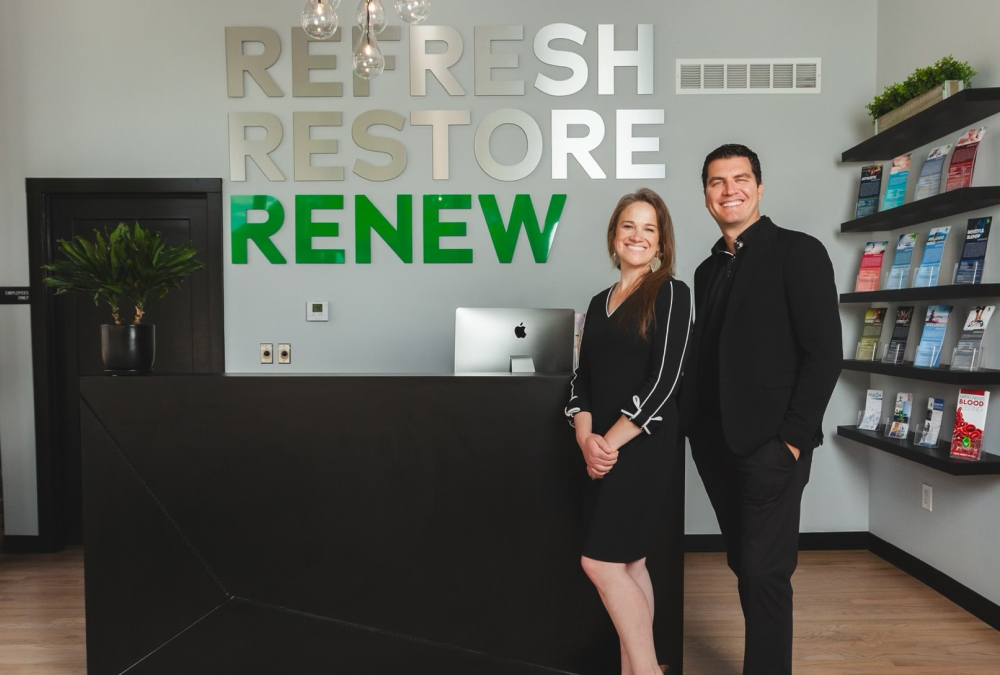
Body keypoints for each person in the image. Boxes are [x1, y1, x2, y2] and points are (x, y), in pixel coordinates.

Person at [680, 144, 842, 675]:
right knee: (744, 564)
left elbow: (824, 354)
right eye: (717, 182)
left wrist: (792, 441)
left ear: (759, 186)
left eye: (740, 178)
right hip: (716, 443)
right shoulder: (707, 271)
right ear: (705, 195)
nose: (730, 190)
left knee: (765, 570)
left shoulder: (798, 251)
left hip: (773, 443)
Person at [565, 188, 692, 675]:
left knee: (599, 564)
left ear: (661, 242)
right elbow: (582, 380)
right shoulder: (599, 303)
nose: (637, 236)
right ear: (613, 237)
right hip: (600, 450)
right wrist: (584, 439)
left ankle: (648, 671)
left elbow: (665, 381)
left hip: (641, 450)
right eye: (628, 226)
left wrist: (608, 444)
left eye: (649, 228)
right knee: (630, 563)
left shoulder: (672, 293)